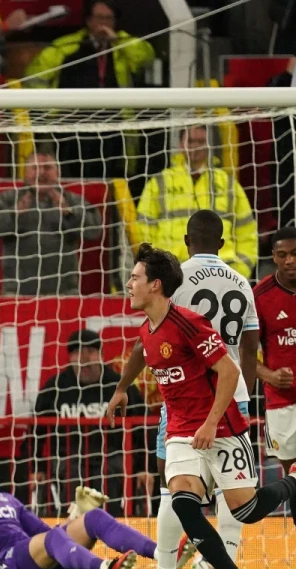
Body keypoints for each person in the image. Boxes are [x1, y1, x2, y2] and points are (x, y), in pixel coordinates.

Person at [108, 243, 296, 569]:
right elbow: (142, 353)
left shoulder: (189, 323)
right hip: (180, 428)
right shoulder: (148, 329)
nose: (129, 284)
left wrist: (210, 423)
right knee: (181, 498)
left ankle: (294, 478)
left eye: (135, 278)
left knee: (248, 510)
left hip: (221, 425)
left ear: (156, 286)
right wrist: (122, 389)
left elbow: (228, 371)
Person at [0, 443, 152, 569]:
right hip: (4, 568)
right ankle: (105, 568)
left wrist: (76, 516)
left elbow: (47, 534)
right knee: (51, 539)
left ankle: (163, 554)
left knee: (94, 517)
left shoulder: (6, 498)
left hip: (36, 561)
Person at [24, 1, 155, 180]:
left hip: (113, 127)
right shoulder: (66, 46)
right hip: (71, 127)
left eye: (109, 19)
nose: (104, 24)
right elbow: (34, 79)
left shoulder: (123, 44)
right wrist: (52, 112)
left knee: (110, 177)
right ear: (88, 21)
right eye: (99, 18)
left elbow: (146, 58)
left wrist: (117, 41)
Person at [28, 329, 146, 517]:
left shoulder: (120, 385)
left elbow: (142, 428)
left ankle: (111, 523)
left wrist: (143, 468)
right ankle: (73, 530)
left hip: (111, 456)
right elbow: (36, 431)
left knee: (110, 471)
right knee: (71, 472)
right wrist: (37, 469)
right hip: (69, 458)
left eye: (89, 351)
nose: (83, 358)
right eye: (76, 352)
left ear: (101, 355)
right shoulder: (55, 386)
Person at [135, 125, 258, 278]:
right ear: (181, 144)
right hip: (172, 274)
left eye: (201, 141)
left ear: (209, 145)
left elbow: (246, 233)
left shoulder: (228, 184)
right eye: (191, 141)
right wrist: (157, 274)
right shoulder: (159, 183)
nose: (195, 147)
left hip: (220, 274)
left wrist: (237, 275)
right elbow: (143, 232)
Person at [0, 148, 103, 295]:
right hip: (16, 292)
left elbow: (94, 231)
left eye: (47, 168)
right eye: (35, 168)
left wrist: (69, 213)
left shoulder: (72, 200)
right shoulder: (7, 199)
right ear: (25, 173)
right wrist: (14, 214)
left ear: (58, 173)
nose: (41, 173)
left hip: (64, 292)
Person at [254, 226, 296, 474]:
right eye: (283, 255)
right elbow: (244, 352)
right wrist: (269, 375)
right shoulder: (260, 296)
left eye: (295, 253)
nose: (289, 260)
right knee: (292, 476)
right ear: (273, 256)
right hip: (281, 402)